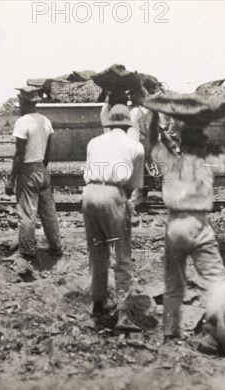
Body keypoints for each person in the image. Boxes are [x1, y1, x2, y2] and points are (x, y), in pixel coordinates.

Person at [147, 107, 225, 352]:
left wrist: (154, 117)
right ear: (203, 146)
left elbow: (151, 144)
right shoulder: (208, 164)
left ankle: (170, 334)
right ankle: (216, 316)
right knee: (216, 277)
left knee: (173, 281)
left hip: (176, 224)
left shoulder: (169, 162)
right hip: (200, 223)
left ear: (181, 143)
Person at [83, 104, 145, 331]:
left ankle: (97, 304)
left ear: (109, 123)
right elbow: (134, 187)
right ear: (128, 124)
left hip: (89, 194)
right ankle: (123, 314)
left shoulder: (94, 142)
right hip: (114, 194)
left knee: (97, 251)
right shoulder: (135, 146)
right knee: (122, 255)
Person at [5, 87, 62, 260]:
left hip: (28, 170)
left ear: (23, 102)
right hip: (42, 169)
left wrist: (11, 179)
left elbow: (19, 154)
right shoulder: (46, 121)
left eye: (20, 103)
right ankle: (56, 247)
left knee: (27, 212)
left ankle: (27, 251)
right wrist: (41, 167)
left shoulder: (22, 122)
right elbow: (49, 151)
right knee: (48, 212)